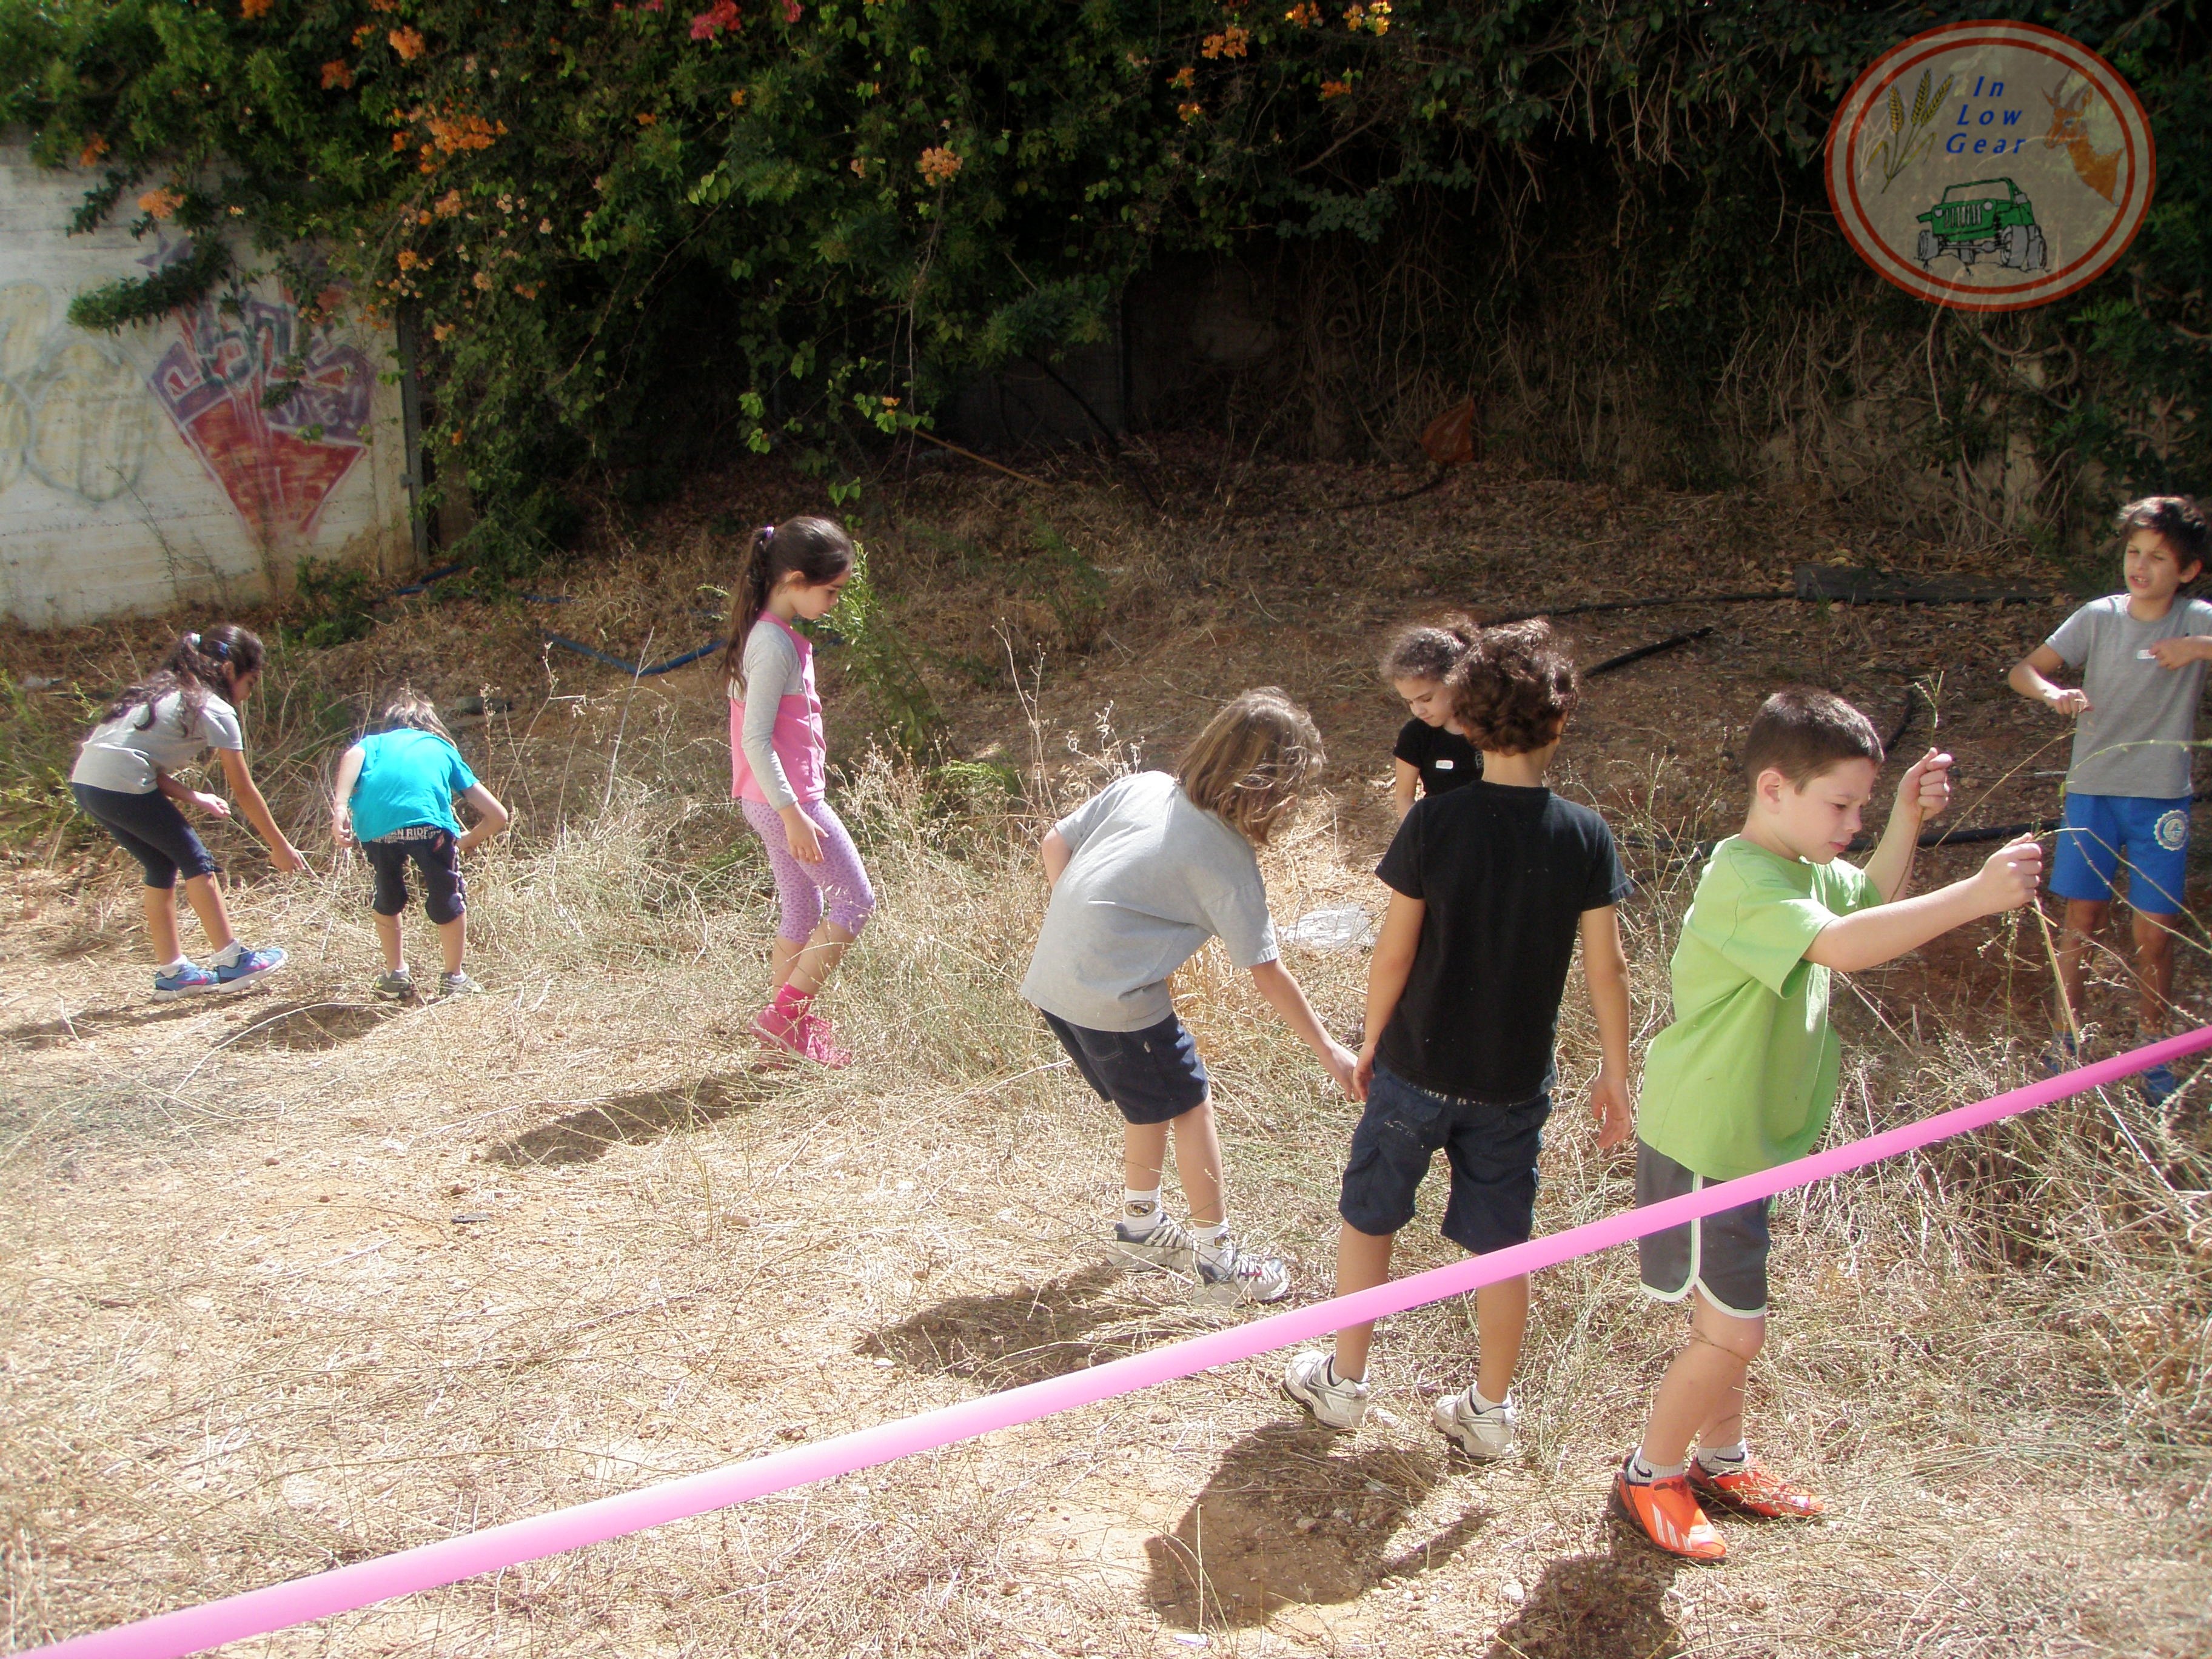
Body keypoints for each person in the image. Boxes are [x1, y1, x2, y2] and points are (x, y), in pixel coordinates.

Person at [1614, 689, 2042, 1562]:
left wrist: (1910, 824)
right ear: (1774, 788)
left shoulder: (1804, 864)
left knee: (1732, 1316)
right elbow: (1846, 948)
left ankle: (1719, 1461)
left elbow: (1867, 903)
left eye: (1862, 806)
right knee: (1733, 1330)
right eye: (1840, 805)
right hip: (1705, 1142)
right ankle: (1649, 1474)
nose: (1852, 822)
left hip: (1749, 1144)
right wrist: (1975, 892)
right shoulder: (1743, 877)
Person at [1282, 620, 1633, 1458]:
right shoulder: (1586, 834)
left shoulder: (1435, 823)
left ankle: (1344, 1382)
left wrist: (1369, 1039)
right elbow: (1608, 969)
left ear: (1465, 724)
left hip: (1414, 1067)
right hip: (1512, 1084)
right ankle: (1487, 1411)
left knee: (1371, 1217)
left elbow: (1395, 949)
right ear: (1561, 720)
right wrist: (1617, 1076)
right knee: (1500, 1241)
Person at [1022, 688, 1359, 1304]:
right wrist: (1332, 1050)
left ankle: (1140, 1227)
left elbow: (1054, 844)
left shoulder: (1145, 785)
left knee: (1150, 1103)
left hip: (1054, 980)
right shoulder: (1227, 859)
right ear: (1275, 789)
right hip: (1115, 997)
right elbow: (1267, 973)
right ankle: (1218, 1263)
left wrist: (1086, 929)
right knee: (1191, 1104)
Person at [2006, 495, 2212, 1105]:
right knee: (2081, 921)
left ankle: (2155, 1050)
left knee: (2156, 932)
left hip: (2160, 799)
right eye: (2132, 553)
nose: (2140, 568)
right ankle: (2066, 1040)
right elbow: (2025, 670)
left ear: (2188, 570)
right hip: (2092, 792)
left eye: (2157, 558)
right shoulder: (2099, 616)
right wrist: (2053, 694)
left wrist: (2197, 649)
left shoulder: (2196, 618)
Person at [68, 625, 303, 999]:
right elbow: (244, 790)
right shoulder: (215, 708)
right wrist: (280, 846)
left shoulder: (158, 694)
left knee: (161, 866)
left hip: (87, 784)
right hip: (120, 784)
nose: (250, 694)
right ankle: (232, 961)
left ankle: (173, 973)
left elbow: (134, 760)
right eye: (252, 681)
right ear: (229, 671)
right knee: (198, 861)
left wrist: (196, 797)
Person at [723, 515, 876, 1067]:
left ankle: (782, 1044)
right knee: (857, 901)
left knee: (801, 911)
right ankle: (784, 1016)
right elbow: (755, 739)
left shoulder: (771, 635)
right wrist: (793, 813)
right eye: (831, 590)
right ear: (793, 579)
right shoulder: (772, 643)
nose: (834, 602)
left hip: (770, 801)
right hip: (787, 803)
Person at [330, 692, 510, 999]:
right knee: (447, 896)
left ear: (390, 725)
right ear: (431, 725)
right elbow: (498, 815)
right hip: (429, 827)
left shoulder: (374, 744)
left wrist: (340, 807)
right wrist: (468, 840)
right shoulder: (440, 747)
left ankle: (395, 976)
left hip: (376, 828)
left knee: (388, 894)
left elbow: (352, 757)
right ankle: (454, 978)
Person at [1383, 618, 1483, 820]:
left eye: (1426, 699)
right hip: (1440, 830)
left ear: (1456, 681)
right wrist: (1415, 839)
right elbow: (1404, 796)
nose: (1418, 710)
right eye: (1410, 702)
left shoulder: (1490, 725)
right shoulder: (1416, 735)